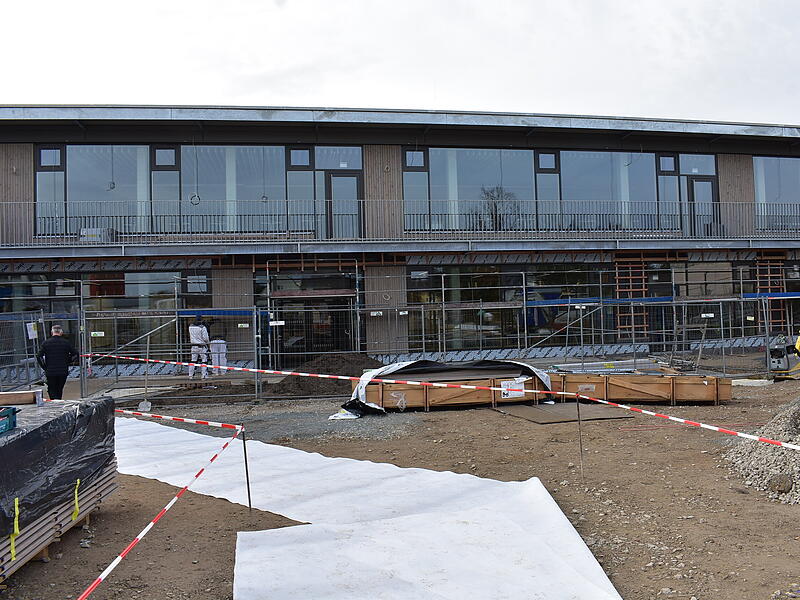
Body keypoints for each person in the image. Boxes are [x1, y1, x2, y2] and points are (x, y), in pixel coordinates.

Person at [36, 324, 79, 400]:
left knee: (52, 389)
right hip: (63, 370)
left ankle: (54, 402)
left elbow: (39, 356)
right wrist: (68, 361)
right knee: (59, 389)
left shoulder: (46, 343)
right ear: (61, 332)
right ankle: (58, 400)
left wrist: (44, 367)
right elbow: (76, 354)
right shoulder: (66, 343)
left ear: (52, 332)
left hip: (50, 370)